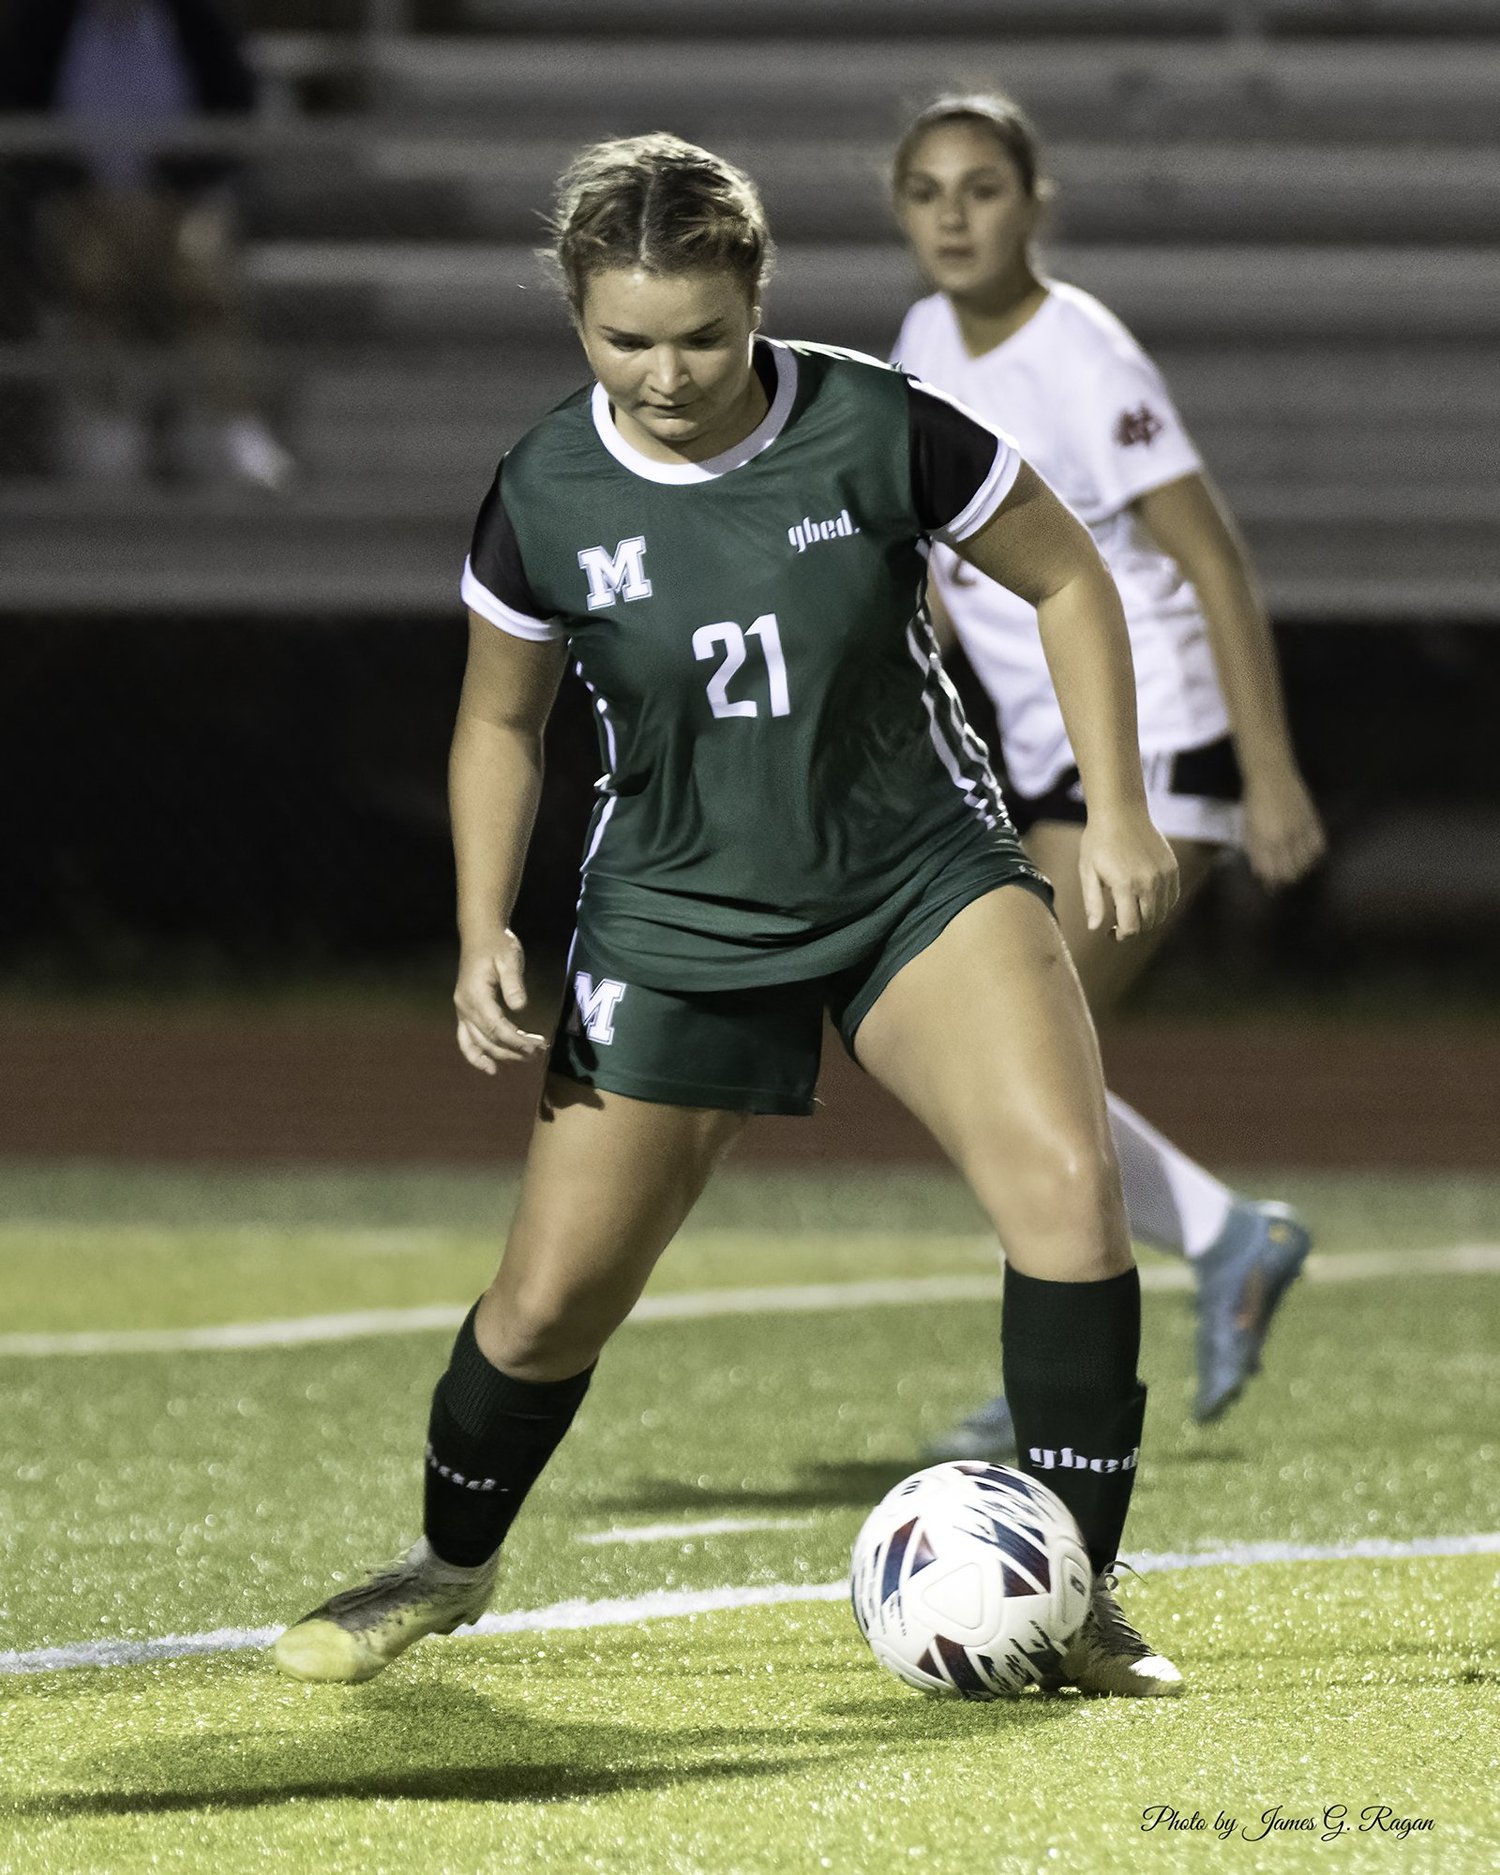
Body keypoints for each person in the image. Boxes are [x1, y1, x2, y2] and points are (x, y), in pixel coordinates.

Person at [274, 133, 1186, 1698]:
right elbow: (500, 720)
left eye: (702, 336)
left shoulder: (878, 425)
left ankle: (1076, 1595)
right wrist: (485, 924)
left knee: (1067, 1194)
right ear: (577, 315)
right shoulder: (545, 489)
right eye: (626, 339)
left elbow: (1069, 576)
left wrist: (1117, 803)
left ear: (757, 297)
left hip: (917, 875)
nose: (667, 374)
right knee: (547, 1302)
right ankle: (444, 1561)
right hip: (676, 915)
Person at [888, 95, 1327, 1460]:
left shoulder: (1081, 352)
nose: (955, 215)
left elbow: (1212, 559)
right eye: (927, 191)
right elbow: (945, 569)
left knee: (1011, 1059)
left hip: (1154, 746)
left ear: (1035, 202)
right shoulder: (919, 341)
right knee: (1006, 1060)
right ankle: (1224, 1237)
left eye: (982, 187)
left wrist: (1268, 770)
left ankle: (1068, 1369)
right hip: (1047, 761)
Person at [0, 0, 293, 488]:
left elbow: (236, 116)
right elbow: (21, 126)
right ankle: (108, 426)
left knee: (204, 277)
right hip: (82, 207)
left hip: (181, 204)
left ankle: (234, 427)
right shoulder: (45, 23)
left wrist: (172, 183)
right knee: (93, 279)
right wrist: (79, 186)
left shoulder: (199, 21)